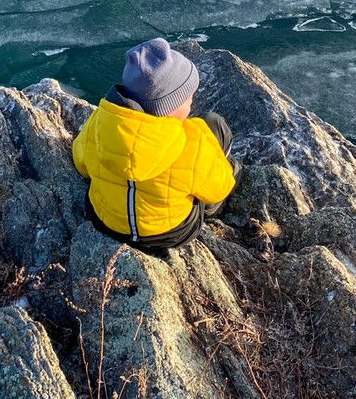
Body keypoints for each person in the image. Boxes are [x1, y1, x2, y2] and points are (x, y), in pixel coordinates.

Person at [72, 37, 237, 251]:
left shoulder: (99, 122)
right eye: (187, 97)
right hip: (169, 233)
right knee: (213, 123)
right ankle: (214, 209)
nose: (192, 101)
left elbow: (81, 164)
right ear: (169, 105)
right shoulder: (192, 140)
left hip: (105, 222)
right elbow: (218, 189)